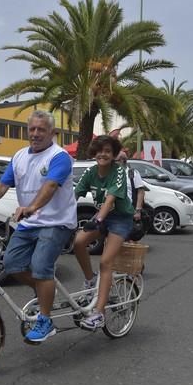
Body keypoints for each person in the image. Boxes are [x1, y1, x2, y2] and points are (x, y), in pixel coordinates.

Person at [0, 110, 77, 344]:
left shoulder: (59, 157)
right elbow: (2, 185)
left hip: (56, 222)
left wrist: (33, 206)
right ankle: (44, 290)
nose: (35, 134)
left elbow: (51, 185)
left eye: (41, 130)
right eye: (32, 129)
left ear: (52, 133)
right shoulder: (19, 157)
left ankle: (46, 321)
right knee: (11, 264)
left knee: (40, 266)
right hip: (29, 223)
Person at [73, 136, 134, 330]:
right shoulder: (90, 172)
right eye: (99, 151)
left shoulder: (118, 172)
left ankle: (98, 313)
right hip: (102, 217)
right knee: (79, 242)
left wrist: (98, 220)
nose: (103, 154)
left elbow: (109, 200)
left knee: (106, 262)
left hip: (120, 220)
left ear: (114, 154)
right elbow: (73, 195)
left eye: (108, 151)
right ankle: (91, 281)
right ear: (94, 153)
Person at [116, 151, 149, 241]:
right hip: (113, 211)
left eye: (116, 161)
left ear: (123, 161)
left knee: (125, 236)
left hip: (128, 210)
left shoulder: (132, 173)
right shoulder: (111, 173)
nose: (113, 163)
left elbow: (141, 191)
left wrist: (137, 210)